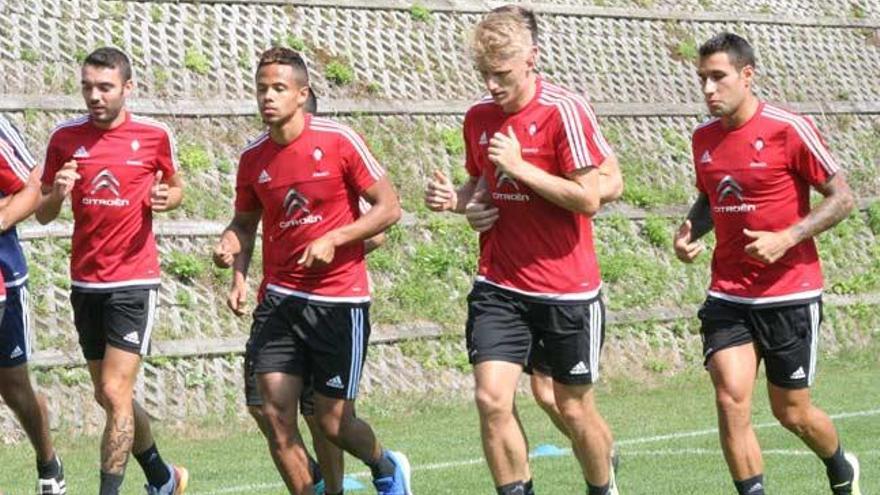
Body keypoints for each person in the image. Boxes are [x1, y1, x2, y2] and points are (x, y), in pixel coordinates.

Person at [426, 9, 619, 495]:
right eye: (484, 74)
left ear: (531, 60)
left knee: (571, 407)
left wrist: (522, 167)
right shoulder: (479, 119)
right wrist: (459, 204)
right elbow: (481, 188)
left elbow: (589, 197)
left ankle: (604, 485)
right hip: (499, 285)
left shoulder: (564, 111)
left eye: (502, 74)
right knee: (492, 399)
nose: (491, 85)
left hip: (567, 291)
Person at [213, 46, 409, 495]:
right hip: (280, 301)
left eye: (279, 88)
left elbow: (389, 208)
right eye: (262, 88)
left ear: (302, 94)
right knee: (273, 415)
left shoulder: (339, 140)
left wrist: (336, 238)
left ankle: (385, 465)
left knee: (333, 422)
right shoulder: (253, 158)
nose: (268, 97)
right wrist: (234, 258)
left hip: (339, 302)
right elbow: (244, 224)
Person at [673, 32, 861, 495]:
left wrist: (789, 237)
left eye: (718, 77)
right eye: (702, 79)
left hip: (790, 292)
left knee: (791, 411)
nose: (708, 89)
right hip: (729, 295)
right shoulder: (703, 138)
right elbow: (711, 196)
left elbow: (843, 198)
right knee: (730, 398)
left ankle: (840, 468)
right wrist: (690, 230)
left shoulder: (787, 128)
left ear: (747, 75)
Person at [35, 47, 188, 495]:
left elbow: (176, 187)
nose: (95, 96)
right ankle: (163, 478)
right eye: (87, 87)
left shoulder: (154, 135)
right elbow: (43, 214)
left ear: (127, 88)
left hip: (134, 281)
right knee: (107, 394)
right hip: (86, 282)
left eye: (105, 87)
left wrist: (166, 199)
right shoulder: (65, 138)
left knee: (117, 391)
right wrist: (58, 194)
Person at [0, 116, 66, 494]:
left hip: (4, 274)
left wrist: (3, 216)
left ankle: (48, 462)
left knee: (13, 386)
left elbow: (33, 186)